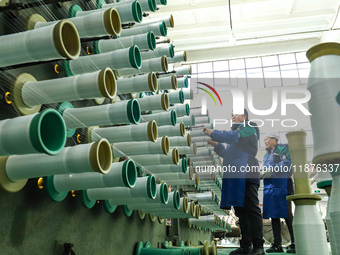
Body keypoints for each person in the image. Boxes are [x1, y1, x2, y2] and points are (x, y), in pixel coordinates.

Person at [203, 109, 264, 255]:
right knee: (241, 211)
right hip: (236, 172)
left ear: (244, 117)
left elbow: (232, 136)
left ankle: (258, 246)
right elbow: (226, 154)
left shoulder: (249, 128)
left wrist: (214, 133)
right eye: (231, 115)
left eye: (236, 114)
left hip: (247, 170)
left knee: (251, 208)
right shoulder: (235, 139)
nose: (233, 117)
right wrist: (216, 145)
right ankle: (246, 245)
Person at [262, 134, 295, 253]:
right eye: (264, 139)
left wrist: (272, 169)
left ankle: (295, 243)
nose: (265, 141)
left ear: (274, 140)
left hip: (282, 186)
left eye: (267, 139)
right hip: (270, 188)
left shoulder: (282, 149)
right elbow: (265, 170)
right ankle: (277, 244)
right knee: (273, 215)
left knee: (287, 215)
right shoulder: (266, 155)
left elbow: (287, 163)